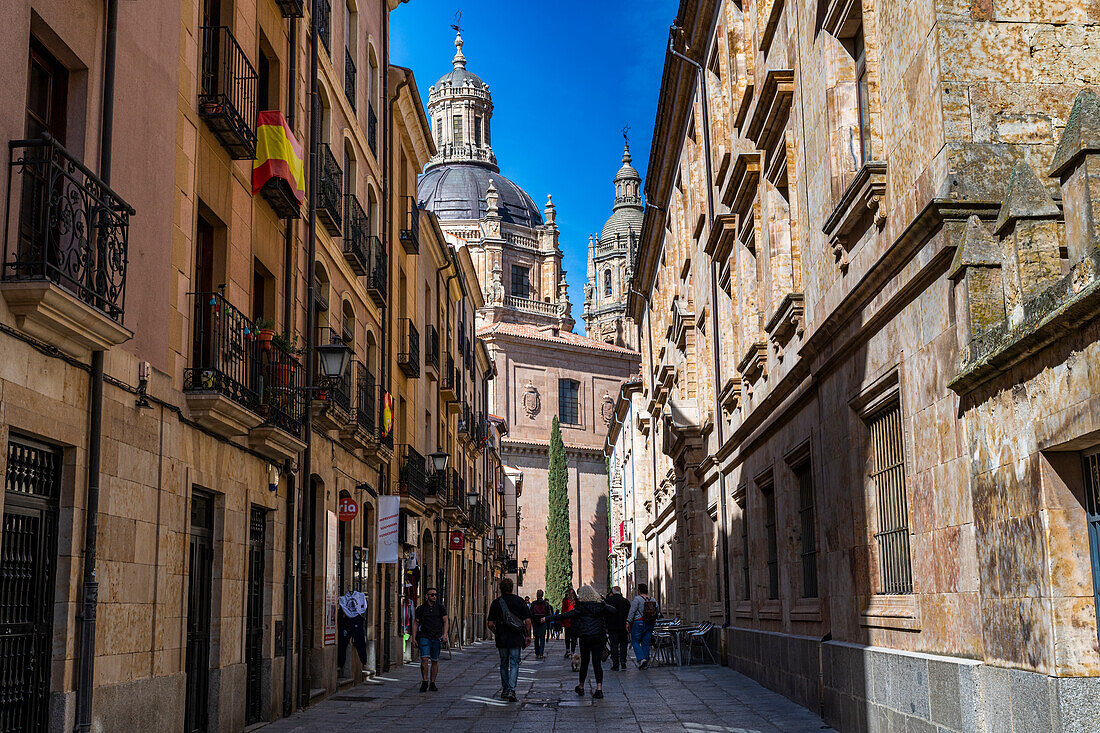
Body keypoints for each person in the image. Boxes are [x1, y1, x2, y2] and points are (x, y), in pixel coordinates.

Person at [539, 585, 616, 699]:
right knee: (597, 663)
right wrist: (603, 604)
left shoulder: (581, 606)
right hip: (599, 637)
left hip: (585, 637)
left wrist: (547, 618)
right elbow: (613, 610)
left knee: (584, 662)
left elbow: (565, 615)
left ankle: (581, 686)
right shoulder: (601, 605)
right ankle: (599, 689)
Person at [487, 577, 531, 701]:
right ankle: (512, 690)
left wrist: (498, 632)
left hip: (502, 639)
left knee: (503, 663)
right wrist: (527, 635)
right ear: (512, 588)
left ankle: (505, 689)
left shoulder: (496, 603)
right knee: (514, 663)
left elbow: (490, 624)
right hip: (516, 638)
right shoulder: (520, 601)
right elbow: (527, 621)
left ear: (500, 588)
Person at [411, 587, 448, 692]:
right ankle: (425, 681)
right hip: (424, 637)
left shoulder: (440, 608)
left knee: (435, 660)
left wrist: (444, 634)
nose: (434, 596)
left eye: (436, 594)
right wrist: (413, 638)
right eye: (432, 595)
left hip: (436, 637)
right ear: (427, 596)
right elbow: (416, 623)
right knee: (424, 659)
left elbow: (445, 621)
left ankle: (432, 682)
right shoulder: (421, 609)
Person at [627, 583, 659, 669]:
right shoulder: (653, 599)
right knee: (646, 643)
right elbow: (657, 611)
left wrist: (628, 621)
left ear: (639, 590)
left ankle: (641, 658)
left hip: (639, 622)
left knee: (635, 641)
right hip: (650, 623)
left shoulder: (637, 599)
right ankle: (645, 664)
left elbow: (632, 611)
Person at [336, 589, 368, 674]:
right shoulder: (343, 598)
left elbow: (364, 607)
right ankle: (341, 663)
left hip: (356, 620)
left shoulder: (360, 596)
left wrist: (357, 613)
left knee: (360, 641)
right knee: (343, 642)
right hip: (348, 621)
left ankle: (363, 660)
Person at [605, 585, 631, 671]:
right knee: (624, 644)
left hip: (612, 627)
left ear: (612, 592)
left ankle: (615, 664)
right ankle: (623, 661)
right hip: (623, 626)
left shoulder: (608, 601)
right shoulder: (626, 601)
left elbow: (605, 615)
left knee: (614, 645)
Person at [529, 590, 553, 659]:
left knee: (536, 638)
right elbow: (549, 614)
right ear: (542, 595)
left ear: (537, 595)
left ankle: (537, 653)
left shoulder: (533, 603)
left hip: (536, 623)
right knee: (542, 638)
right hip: (543, 622)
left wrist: (533, 620)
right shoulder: (546, 604)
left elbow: (531, 614)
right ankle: (541, 653)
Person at [561, 586, 578, 658]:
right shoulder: (576, 601)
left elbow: (563, 611)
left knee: (568, 637)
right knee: (573, 638)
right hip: (574, 622)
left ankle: (568, 650)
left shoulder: (566, 600)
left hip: (568, 621)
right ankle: (572, 651)